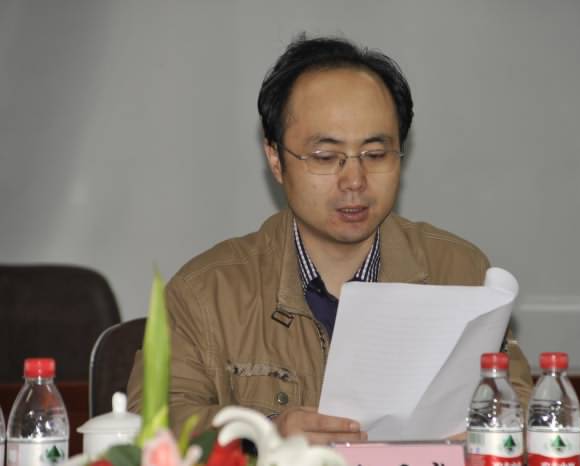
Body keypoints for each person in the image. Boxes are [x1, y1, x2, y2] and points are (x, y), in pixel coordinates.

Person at [127, 34, 533, 444]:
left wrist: (488, 427)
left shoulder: (460, 272)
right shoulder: (206, 292)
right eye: (325, 157)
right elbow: (151, 421)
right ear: (276, 159)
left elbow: (520, 403)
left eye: (375, 154)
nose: (354, 180)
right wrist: (265, 434)